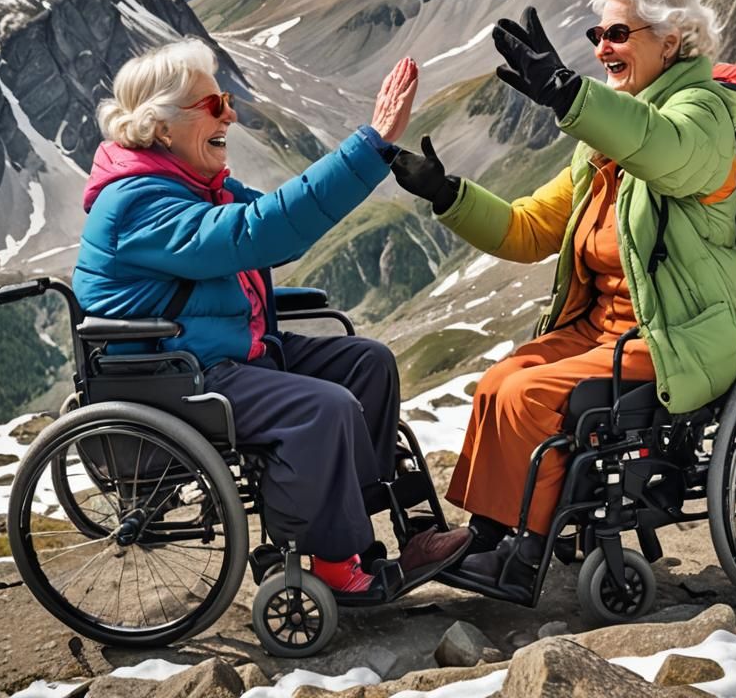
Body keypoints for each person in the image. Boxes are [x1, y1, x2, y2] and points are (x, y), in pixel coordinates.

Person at [73, 38, 470, 598]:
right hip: (178, 374)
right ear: (162, 129)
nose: (229, 113)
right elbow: (261, 230)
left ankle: (369, 532)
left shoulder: (197, 183)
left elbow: (280, 227)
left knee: (368, 365)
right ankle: (335, 568)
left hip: (224, 352)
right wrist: (372, 143)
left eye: (227, 99)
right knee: (322, 408)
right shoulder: (137, 204)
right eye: (213, 105)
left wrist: (374, 155)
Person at [392, 0, 736, 592]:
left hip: (671, 333)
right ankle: (486, 534)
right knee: (499, 381)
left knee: (530, 397)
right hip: (602, 329)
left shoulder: (706, 113)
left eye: (617, 33)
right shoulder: (603, 139)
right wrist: (446, 195)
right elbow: (530, 229)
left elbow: (666, 152)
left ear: (672, 41)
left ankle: (526, 551)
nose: (602, 46)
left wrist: (568, 95)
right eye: (595, 34)